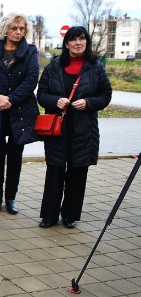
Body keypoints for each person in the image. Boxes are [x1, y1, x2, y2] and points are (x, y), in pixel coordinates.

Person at [37, 26, 112, 228]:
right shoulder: (54, 66)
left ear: (86, 42)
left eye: (82, 39)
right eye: (73, 39)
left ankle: (70, 216)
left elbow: (105, 95)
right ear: (67, 43)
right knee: (55, 171)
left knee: (78, 173)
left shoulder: (95, 67)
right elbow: (41, 94)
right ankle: (49, 215)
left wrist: (88, 103)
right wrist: (55, 101)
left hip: (84, 129)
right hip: (57, 128)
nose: (78, 43)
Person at [0, 13, 40, 215]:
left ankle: (11, 197)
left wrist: (10, 100)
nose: (18, 32)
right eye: (14, 28)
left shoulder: (30, 52)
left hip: (20, 111)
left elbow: (31, 81)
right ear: (5, 29)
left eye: (22, 28)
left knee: (15, 155)